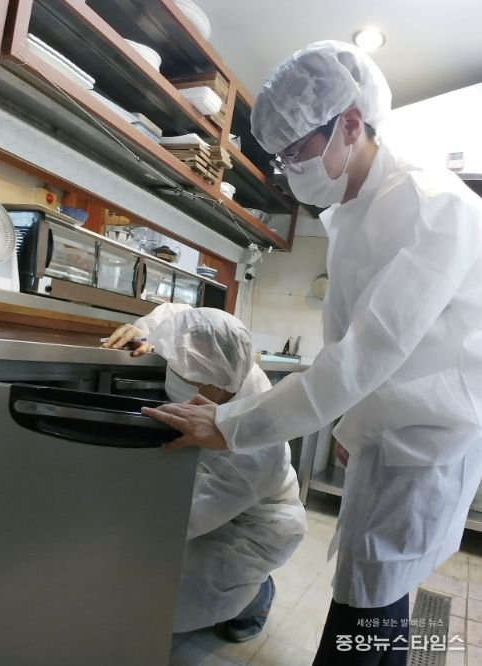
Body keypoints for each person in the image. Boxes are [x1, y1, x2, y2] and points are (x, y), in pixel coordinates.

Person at [142, 40, 482, 665]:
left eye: (295, 151)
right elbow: (353, 343)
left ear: (350, 123)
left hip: (423, 446)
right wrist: (352, 423)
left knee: (368, 598)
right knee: (376, 597)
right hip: (388, 435)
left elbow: (367, 353)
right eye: (279, 158)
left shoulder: (431, 205)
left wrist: (230, 425)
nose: (287, 170)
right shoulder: (352, 213)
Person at [103, 305, 307, 641]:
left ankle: (256, 597)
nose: (176, 379)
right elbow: (183, 316)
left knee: (172, 604)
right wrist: (143, 331)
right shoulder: (228, 357)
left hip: (257, 525)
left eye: (190, 381)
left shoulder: (255, 449)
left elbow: (186, 519)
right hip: (214, 496)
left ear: (220, 385)